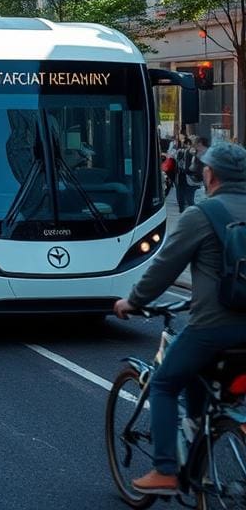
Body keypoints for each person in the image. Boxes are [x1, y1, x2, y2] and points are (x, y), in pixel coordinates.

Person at [113, 141, 246, 495]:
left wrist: (132, 300)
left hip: (215, 329)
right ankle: (200, 440)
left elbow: (163, 268)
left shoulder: (202, 215)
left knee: (163, 383)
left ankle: (165, 471)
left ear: (210, 174)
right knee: (204, 379)